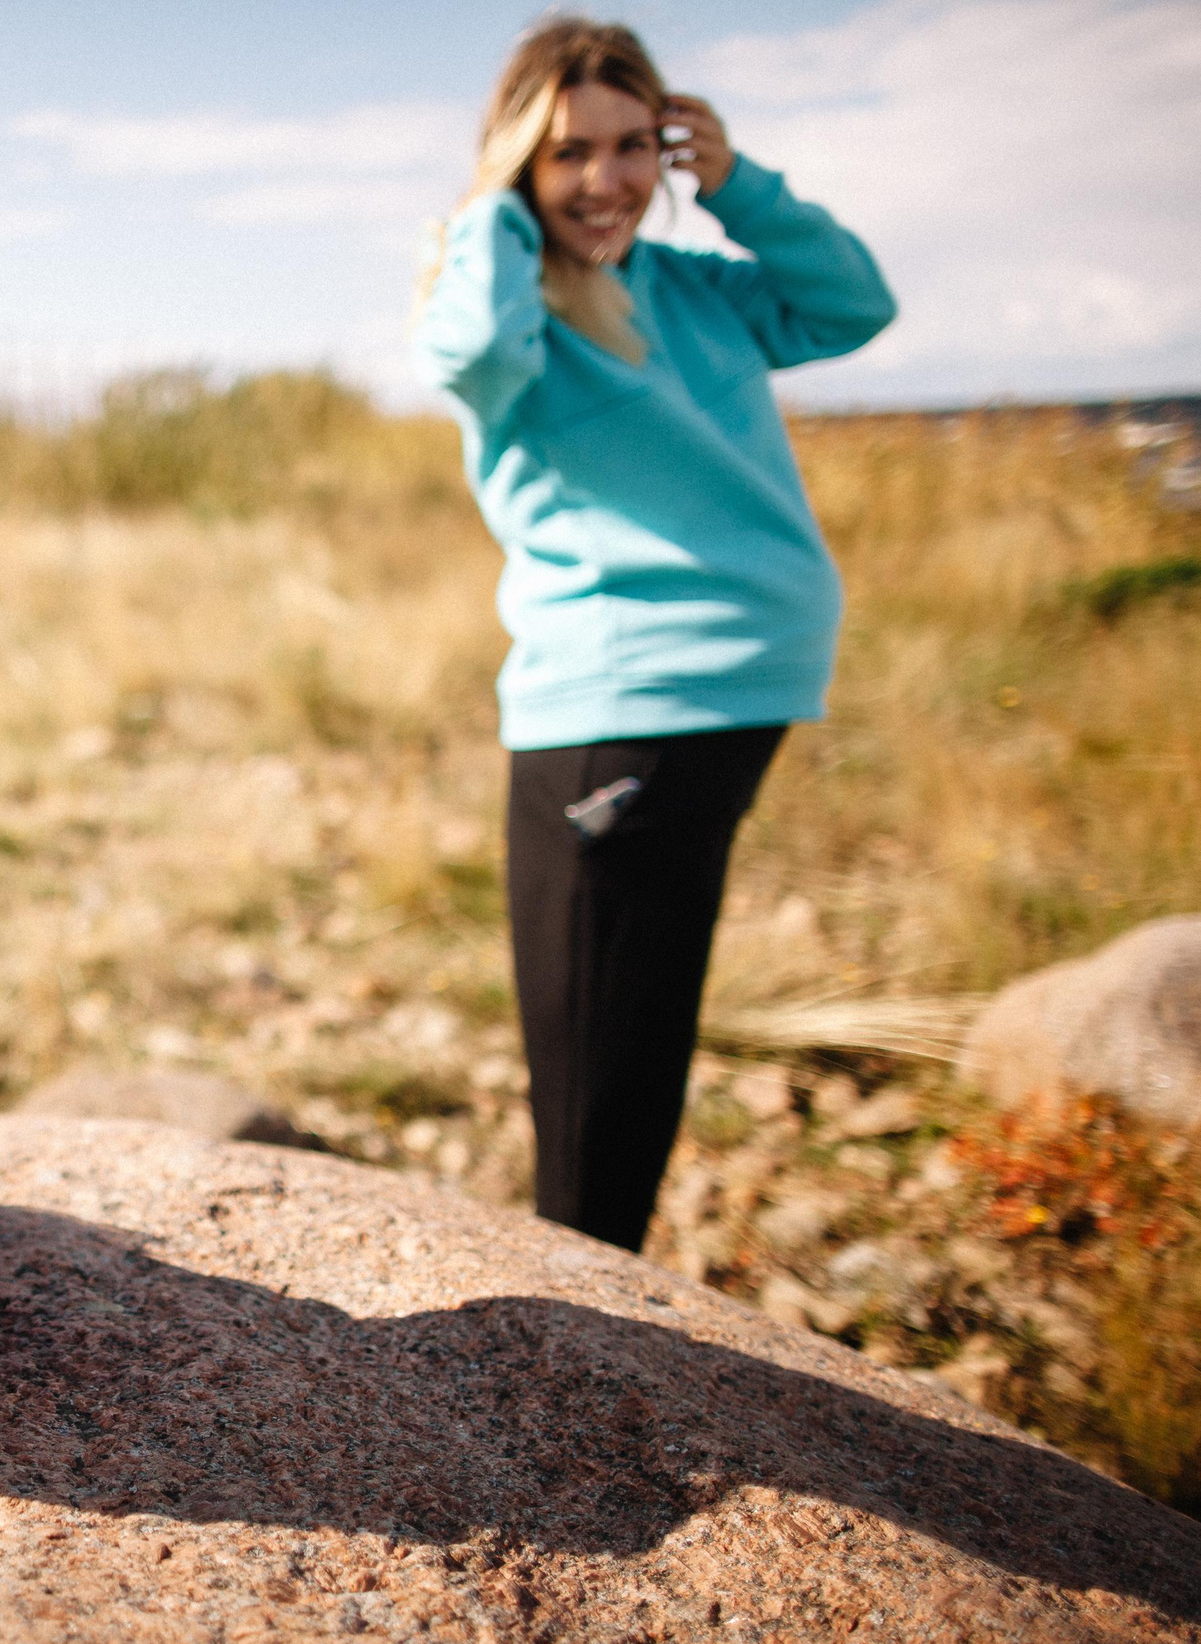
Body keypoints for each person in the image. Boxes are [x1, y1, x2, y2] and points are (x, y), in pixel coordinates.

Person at [412, 19, 895, 1252]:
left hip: (674, 708)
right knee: (616, 1079)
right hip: (636, 711)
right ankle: (594, 1372)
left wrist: (738, 185)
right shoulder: (509, 307)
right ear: (519, 164)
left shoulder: (691, 287)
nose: (609, 180)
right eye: (569, 153)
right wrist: (498, 213)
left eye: (636, 147)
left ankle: (577, 1399)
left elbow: (852, 304)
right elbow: (466, 353)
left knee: (603, 1098)